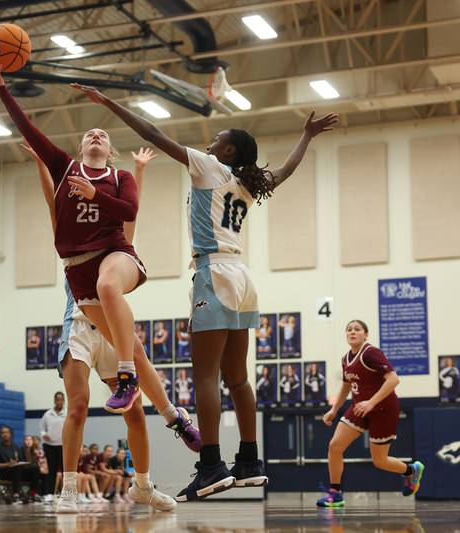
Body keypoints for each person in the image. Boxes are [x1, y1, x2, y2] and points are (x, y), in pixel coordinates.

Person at [72, 81, 338, 501]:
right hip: (243, 277)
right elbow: (284, 172)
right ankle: (249, 461)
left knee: (205, 376)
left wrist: (108, 103)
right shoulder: (248, 182)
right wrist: (306, 136)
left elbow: (153, 135)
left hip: (213, 271)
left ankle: (211, 465)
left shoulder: (208, 165)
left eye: (218, 139)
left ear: (228, 151)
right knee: (238, 378)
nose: (210, 142)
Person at [21, 140, 198, 514]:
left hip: (111, 329)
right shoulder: (72, 230)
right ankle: (69, 490)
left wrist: (140, 173)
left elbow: (129, 218)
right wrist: (41, 163)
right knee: (79, 405)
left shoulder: (115, 240)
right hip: (79, 325)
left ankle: (144, 486)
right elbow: (51, 199)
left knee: (134, 412)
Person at [0, 57, 149, 414]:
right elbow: (27, 127)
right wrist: (0, 85)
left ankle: (131, 382)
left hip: (114, 256)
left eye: (103, 136)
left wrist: (97, 195)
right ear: (79, 148)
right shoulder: (65, 168)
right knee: (119, 362)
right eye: (90, 134)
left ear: (109, 151)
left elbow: (130, 213)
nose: (96, 135)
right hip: (78, 272)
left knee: (111, 295)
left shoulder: (120, 178)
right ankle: (172, 414)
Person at [317, 320, 424, 507]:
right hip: (360, 406)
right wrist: (334, 410)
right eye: (349, 329)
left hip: (383, 408)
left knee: (380, 461)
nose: (352, 332)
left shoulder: (371, 353)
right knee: (335, 446)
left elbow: (393, 379)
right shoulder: (345, 359)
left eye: (357, 329)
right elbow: (346, 385)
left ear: (365, 334)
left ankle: (411, 470)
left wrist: (371, 402)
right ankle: (335, 493)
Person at [0, 425, 41, 502]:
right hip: (4, 473)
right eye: (3, 433)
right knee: (16, 468)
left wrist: (26, 463)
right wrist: (8, 464)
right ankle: (16, 494)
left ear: (11, 434)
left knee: (35, 468)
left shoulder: (16, 447)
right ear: (0, 435)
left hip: (17, 471)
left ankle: (33, 494)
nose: (5, 434)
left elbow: (21, 461)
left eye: (7, 432)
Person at [39, 391, 66, 500]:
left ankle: (66, 494)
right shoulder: (48, 414)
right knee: (52, 470)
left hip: (63, 445)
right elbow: (42, 428)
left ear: (63, 401)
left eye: (61, 399)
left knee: (65, 471)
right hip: (49, 445)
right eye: (57, 399)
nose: (59, 401)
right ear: (54, 401)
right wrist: (44, 435)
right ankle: (49, 494)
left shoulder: (67, 413)